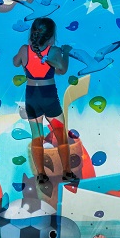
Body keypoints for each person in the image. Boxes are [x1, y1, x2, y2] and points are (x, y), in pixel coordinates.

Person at [12, 17, 77, 184]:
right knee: (61, 135)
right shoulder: (53, 51)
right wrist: (66, 53)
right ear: (51, 37)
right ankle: (67, 172)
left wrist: (26, 57)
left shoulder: (24, 49)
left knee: (37, 137)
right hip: (48, 96)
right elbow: (62, 70)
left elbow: (15, 62)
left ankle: (41, 174)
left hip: (32, 96)